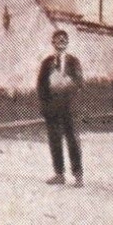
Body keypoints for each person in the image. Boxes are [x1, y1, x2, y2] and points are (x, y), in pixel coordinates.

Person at [36, 28, 84, 186]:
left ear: (67, 43)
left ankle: (78, 175)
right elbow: (41, 86)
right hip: (53, 108)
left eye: (64, 39)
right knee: (55, 140)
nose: (61, 42)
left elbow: (79, 81)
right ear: (53, 43)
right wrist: (45, 105)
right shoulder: (47, 62)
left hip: (69, 107)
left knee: (73, 141)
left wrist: (66, 83)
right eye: (58, 39)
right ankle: (59, 174)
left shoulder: (73, 61)